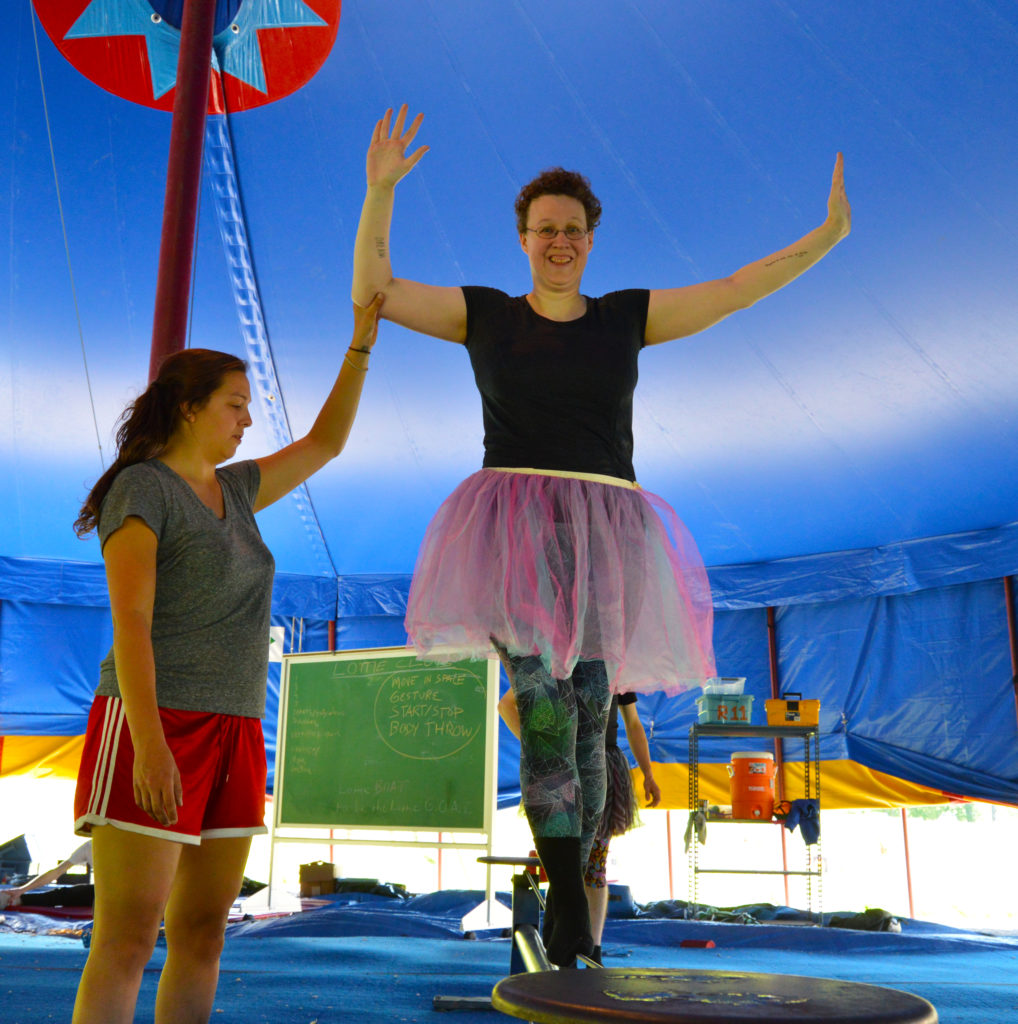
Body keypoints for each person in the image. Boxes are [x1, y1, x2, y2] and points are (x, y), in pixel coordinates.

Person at [352, 104, 850, 965]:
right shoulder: (486, 315)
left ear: (590, 239)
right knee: (544, 714)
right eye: (544, 229)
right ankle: (575, 917)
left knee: (590, 726)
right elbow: (375, 293)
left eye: (572, 230)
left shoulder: (624, 315)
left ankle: (574, 899)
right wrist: (380, 192)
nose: (558, 241)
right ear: (522, 238)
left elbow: (731, 291)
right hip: (514, 530)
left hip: (608, 535)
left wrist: (825, 239)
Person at [68, 294, 383, 1024]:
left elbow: (325, 444)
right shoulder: (141, 490)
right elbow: (132, 622)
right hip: (155, 721)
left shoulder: (238, 491)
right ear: (187, 406)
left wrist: (359, 348)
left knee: (205, 932)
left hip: (236, 727)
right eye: (235, 404)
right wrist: (147, 744)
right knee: (126, 938)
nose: (246, 419)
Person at [498, 689, 660, 965]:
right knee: (565, 863)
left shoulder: (615, 664)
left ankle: (591, 950)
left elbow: (633, 723)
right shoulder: (553, 658)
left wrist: (648, 773)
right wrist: (540, 747)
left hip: (601, 767)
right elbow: (506, 705)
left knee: (594, 865)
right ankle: (563, 946)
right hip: (563, 768)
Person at [0, 839, 94, 910]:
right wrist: (21, 890)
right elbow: (56, 872)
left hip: (105, 898)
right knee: (62, 894)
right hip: (99, 892)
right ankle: (15, 900)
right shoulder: (89, 846)